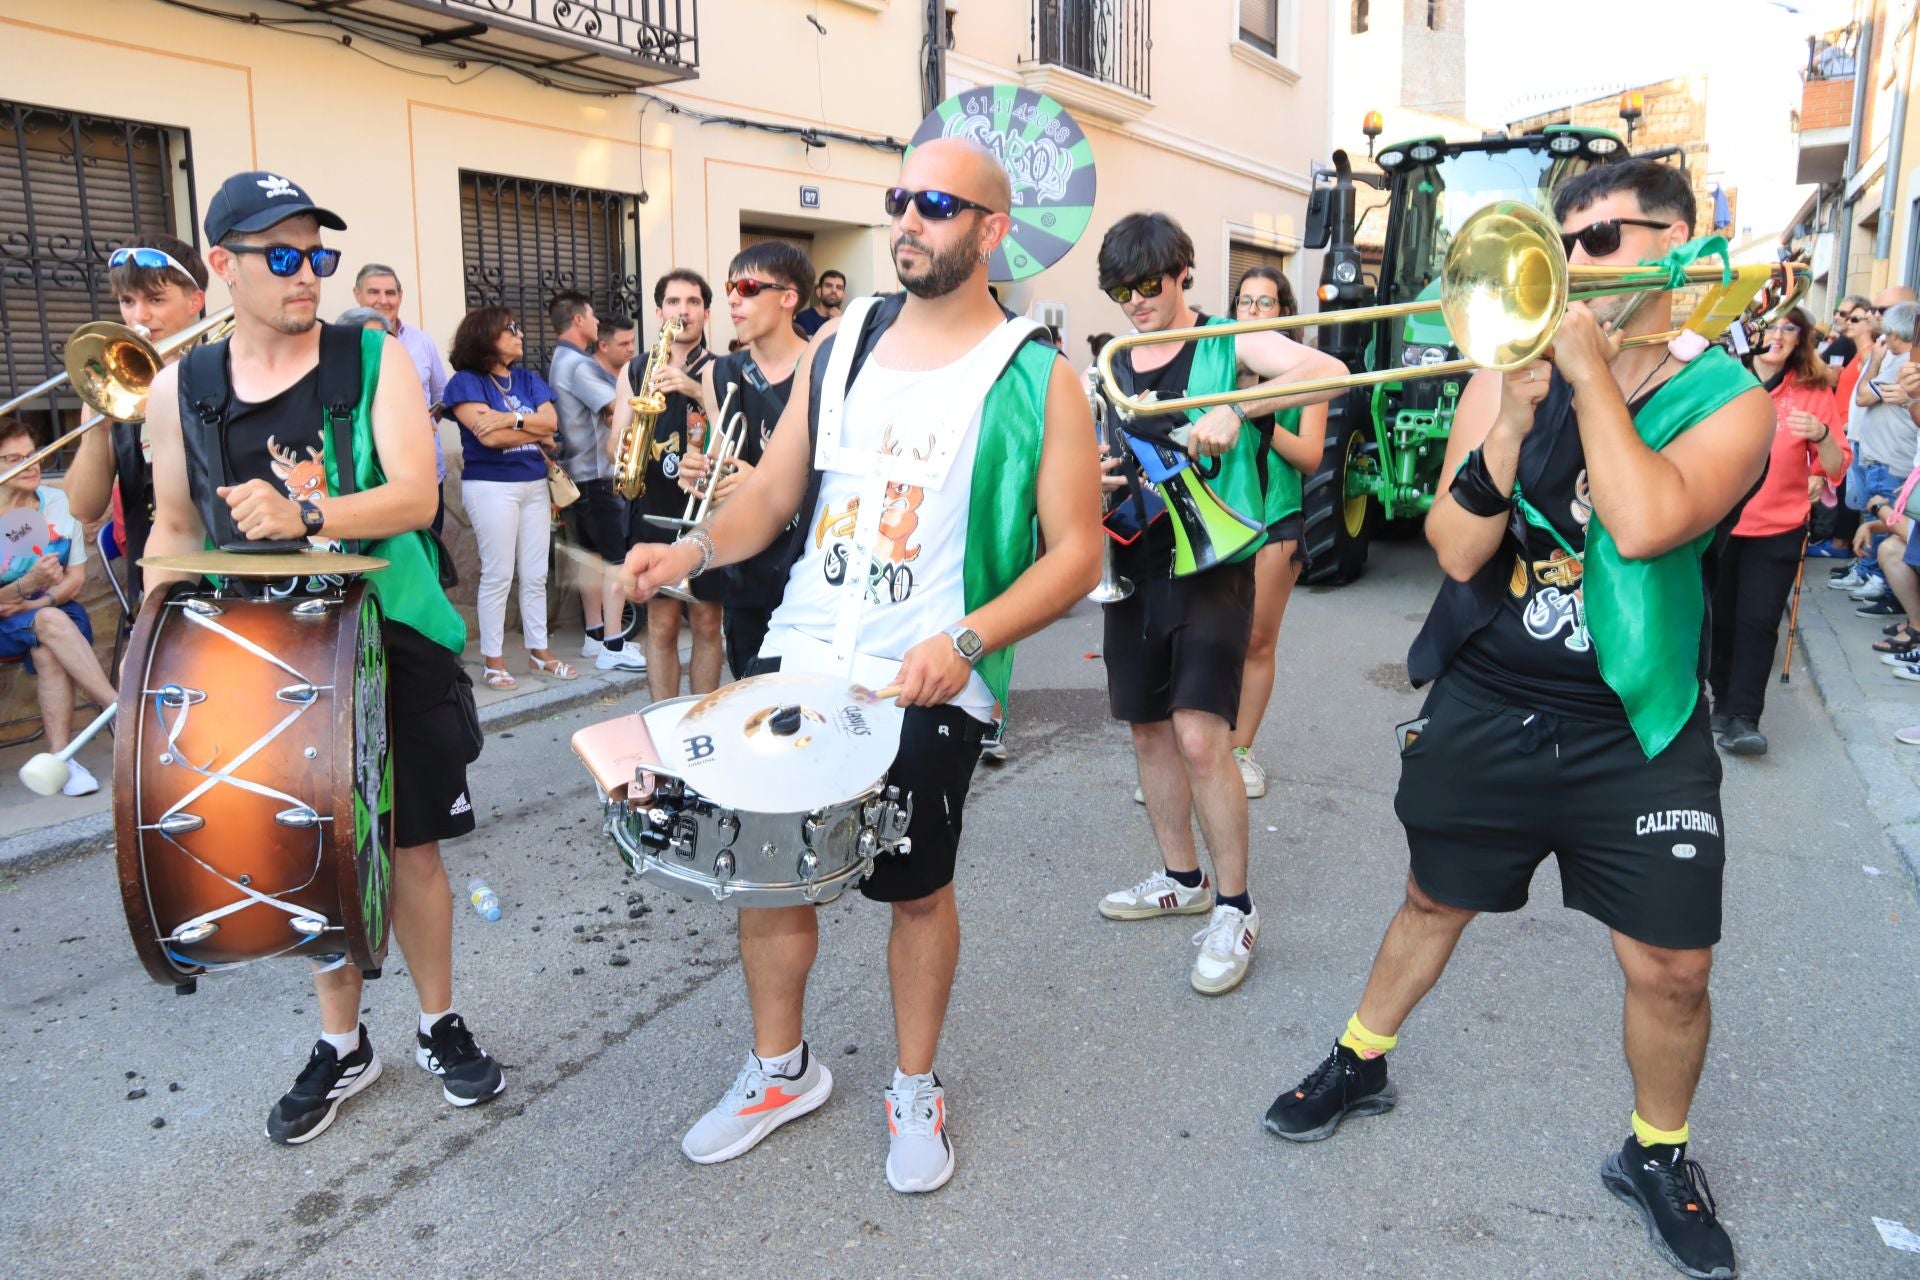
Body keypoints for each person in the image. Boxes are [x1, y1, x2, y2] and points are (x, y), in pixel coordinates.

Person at [1261, 161, 1771, 1280]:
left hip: (1635, 718)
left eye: (1599, 240)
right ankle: (1362, 1056)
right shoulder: (1509, 370)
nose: (1574, 261)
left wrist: (1589, 381)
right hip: (1495, 692)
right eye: (1565, 237)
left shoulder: (1730, 397)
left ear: (1675, 242)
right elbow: (1452, 548)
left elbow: (1640, 525)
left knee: (1674, 965)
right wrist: (1509, 421)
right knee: (1432, 896)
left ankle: (1657, 1149)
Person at [620, 138, 1102, 1193]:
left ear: (989, 228)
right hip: (803, 649)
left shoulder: (1035, 376)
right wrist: (692, 550)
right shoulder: (845, 344)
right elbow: (774, 493)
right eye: (899, 199)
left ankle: (914, 1082)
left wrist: (967, 641)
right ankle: (780, 1067)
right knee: (763, 868)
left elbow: (1079, 552)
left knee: (913, 885)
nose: (909, 220)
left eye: (936, 203)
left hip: (927, 669)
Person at [140, 170, 504, 1144]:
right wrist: (150, 664)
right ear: (223, 265)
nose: (308, 275)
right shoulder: (182, 388)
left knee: (414, 842)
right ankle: (343, 1041)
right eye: (283, 256)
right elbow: (172, 528)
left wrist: (308, 513)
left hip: (394, 630)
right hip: (266, 648)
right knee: (311, 850)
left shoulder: (370, 357)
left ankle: (438, 1020)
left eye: (318, 255)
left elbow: (415, 499)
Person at [1091, 212, 1345, 997]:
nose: (1134, 302)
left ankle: (1234, 907)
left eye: (1147, 285)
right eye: (1120, 290)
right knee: (1147, 733)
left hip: (1215, 557)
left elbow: (1329, 370)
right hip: (1134, 554)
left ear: (1180, 274)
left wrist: (1243, 407)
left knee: (1204, 738)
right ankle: (1181, 879)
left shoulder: (1231, 339)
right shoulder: (1113, 357)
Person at [1707, 306, 1847, 756]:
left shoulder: (1812, 390)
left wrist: (1823, 434)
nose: (1779, 334)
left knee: (1758, 620)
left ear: (1800, 339)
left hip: (1779, 526)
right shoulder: (1722, 376)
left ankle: (1744, 716)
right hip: (1719, 521)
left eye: (1791, 327)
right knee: (1719, 618)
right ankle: (1722, 697)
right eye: (1772, 325)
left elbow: (1836, 465)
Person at [681, 242, 814, 678]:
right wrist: (700, 474)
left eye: (748, 287)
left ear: (788, 297)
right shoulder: (717, 373)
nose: (734, 298)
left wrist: (768, 482)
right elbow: (723, 455)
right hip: (749, 564)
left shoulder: (828, 366)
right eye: (730, 288)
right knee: (751, 695)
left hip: (810, 560)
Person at [62, 235, 211, 595]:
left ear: (196, 301)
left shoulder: (221, 373)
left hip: (223, 576)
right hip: (152, 580)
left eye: (155, 300)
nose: (139, 316)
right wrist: (96, 425)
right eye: (128, 301)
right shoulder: (118, 386)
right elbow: (83, 507)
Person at [1228, 266, 1326, 798]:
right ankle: (1198, 751)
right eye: (1246, 302)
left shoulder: (1309, 373)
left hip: (1276, 519)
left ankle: (1240, 751)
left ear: (1285, 314)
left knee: (1256, 642)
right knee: (1207, 639)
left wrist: (1259, 418)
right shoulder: (1221, 358)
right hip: (1219, 517)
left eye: (1266, 304)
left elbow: (1311, 457)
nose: (1254, 312)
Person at [445, 305, 574, 689]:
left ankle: (539, 652)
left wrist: (509, 419)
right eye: (510, 329)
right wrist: (531, 429)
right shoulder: (466, 383)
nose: (519, 333)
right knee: (498, 575)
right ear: (486, 337)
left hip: (535, 485)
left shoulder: (528, 379)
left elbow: (552, 423)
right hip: (490, 486)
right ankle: (493, 660)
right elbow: (490, 438)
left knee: (535, 574)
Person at [610, 270, 722, 701]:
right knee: (661, 624)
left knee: (709, 622)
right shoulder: (636, 368)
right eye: (673, 302)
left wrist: (694, 388)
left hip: (707, 509)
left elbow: (735, 432)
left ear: (706, 313)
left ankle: (703, 722)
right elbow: (612, 442)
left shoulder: (721, 367)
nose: (683, 311)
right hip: (653, 503)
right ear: (659, 312)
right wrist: (626, 447)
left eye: (693, 302)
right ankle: (663, 725)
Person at [0, 417, 119, 796]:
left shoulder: (56, 503)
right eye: (12, 459)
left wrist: (42, 595)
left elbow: (76, 579)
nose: (30, 465)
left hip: (50, 613)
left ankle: (61, 759)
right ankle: (119, 708)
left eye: (32, 455)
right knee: (49, 624)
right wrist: (23, 586)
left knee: (49, 641)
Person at [548, 294, 644, 674]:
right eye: (589, 316)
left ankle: (594, 637)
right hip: (596, 476)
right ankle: (614, 645)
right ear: (578, 320)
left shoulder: (561, 360)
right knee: (616, 562)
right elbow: (613, 411)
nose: (593, 321)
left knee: (589, 561)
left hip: (578, 478)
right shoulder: (579, 365)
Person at [355, 264, 453, 531]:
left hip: (426, 474)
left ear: (401, 296)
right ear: (357, 295)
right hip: (368, 477)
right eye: (373, 292)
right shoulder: (342, 343)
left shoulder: (422, 342)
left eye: (390, 293)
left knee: (429, 560)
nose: (383, 300)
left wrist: (426, 421)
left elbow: (441, 397)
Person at [1837, 299, 1918, 614]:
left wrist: (1873, 361)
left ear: (1896, 333)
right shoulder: (1899, 362)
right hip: (1883, 457)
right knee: (1877, 518)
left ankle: (1882, 583)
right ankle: (1876, 577)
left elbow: (1864, 395)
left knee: (1887, 521)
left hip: (1892, 459)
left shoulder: (1903, 365)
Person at [795, 268, 846, 336]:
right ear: (819, 292)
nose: (834, 290)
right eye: (828, 286)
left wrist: (841, 323)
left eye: (839, 287)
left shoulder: (846, 322)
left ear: (843, 295)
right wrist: (834, 324)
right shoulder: (802, 318)